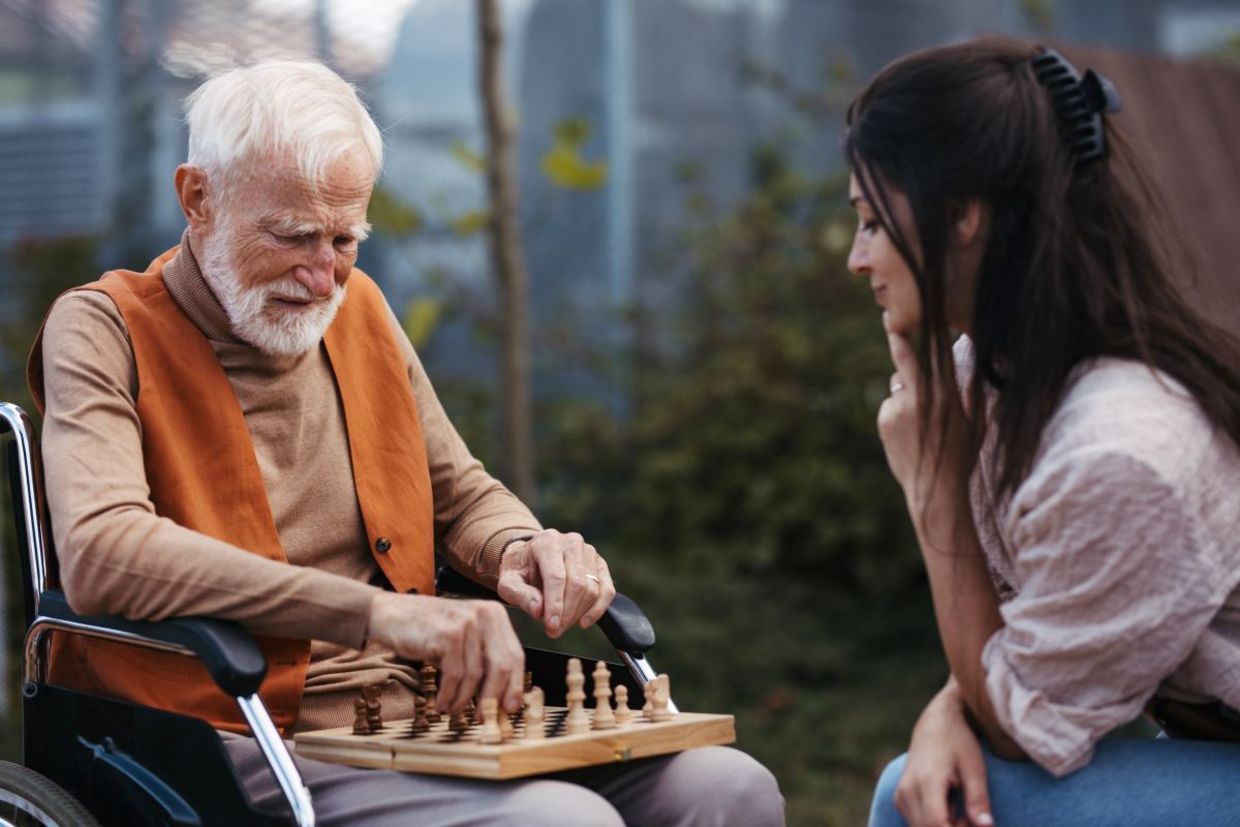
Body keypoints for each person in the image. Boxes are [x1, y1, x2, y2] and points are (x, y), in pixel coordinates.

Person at [31, 60, 783, 827]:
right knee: (558, 821)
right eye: (293, 236)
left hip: (415, 712)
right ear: (198, 197)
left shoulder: (358, 308)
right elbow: (100, 550)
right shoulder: (103, 328)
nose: (324, 278)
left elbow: (459, 494)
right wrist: (375, 615)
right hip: (235, 731)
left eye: (345, 238)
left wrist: (521, 548)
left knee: (730, 786)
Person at [842, 38, 1240, 827]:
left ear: (962, 215)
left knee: (918, 797)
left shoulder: (1122, 445)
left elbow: (1024, 723)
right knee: (920, 780)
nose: (857, 260)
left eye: (870, 221)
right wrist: (945, 712)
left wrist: (936, 493)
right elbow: (1029, 653)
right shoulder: (1003, 380)